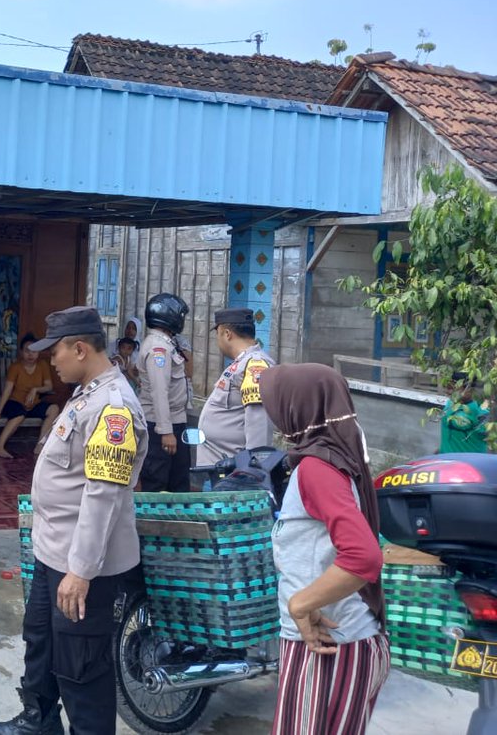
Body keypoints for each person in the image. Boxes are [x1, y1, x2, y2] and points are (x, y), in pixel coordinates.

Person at [0, 307, 147, 735]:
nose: (50, 360)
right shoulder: (86, 393)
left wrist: (80, 571)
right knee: (40, 642)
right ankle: (37, 721)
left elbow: (103, 496)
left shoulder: (113, 408)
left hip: (82, 566)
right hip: (52, 553)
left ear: (79, 348)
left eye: (54, 351)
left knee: (81, 666)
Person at [258, 364, 389, 735]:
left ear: (299, 407)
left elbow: (363, 556)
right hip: (339, 643)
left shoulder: (317, 467)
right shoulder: (336, 455)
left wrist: (302, 603)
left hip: (329, 647)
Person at [195, 307, 276, 467]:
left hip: (235, 472)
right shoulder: (242, 363)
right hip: (221, 465)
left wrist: (254, 470)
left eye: (217, 334)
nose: (218, 340)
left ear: (227, 334)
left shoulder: (255, 365)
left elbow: (259, 422)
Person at [137, 293, 191, 492]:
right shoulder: (158, 348)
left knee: (178, 482)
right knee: (158, 482)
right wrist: (166, 431)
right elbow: (160, 391)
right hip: (160, 426)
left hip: (173, 421)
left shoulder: (167, 343)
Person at [0, 333, 60, 459]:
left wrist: (35, 389)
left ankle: (40, 446)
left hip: (33, 404)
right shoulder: (16, 367)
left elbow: (49, 386)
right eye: (27, 351)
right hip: (15, 403)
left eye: (34, 351)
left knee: (54, 409)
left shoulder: (42, 365)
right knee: (19, 414)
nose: (30, 354)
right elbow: (7, 390)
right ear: (21, 352)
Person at [439, 374, 490, 453]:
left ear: (469, 389)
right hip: (446, 461)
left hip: (468, 463)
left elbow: (491, 440)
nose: (447, 391)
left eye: (452, 388)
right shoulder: (451, 404)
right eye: (447, 388)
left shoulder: (482, 411)